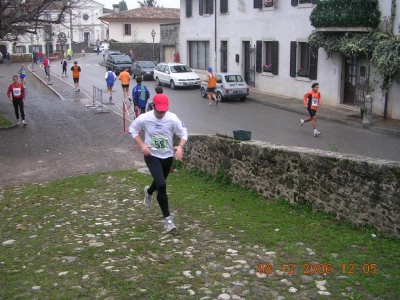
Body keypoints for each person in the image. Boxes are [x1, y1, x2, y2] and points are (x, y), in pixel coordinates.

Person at [128, 93, 188, 232]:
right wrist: (142, 145)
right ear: (153, 106)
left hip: (167, 156)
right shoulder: (145, 118)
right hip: (151, 154)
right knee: (161, 184)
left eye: (163, 111)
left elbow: (183, 133)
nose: (161, 114)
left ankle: (149, 191)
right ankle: (168, 221)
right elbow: (133, 129)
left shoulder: (172, 118)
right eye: (159, 111)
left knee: (159, 181)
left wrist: (180, 146)